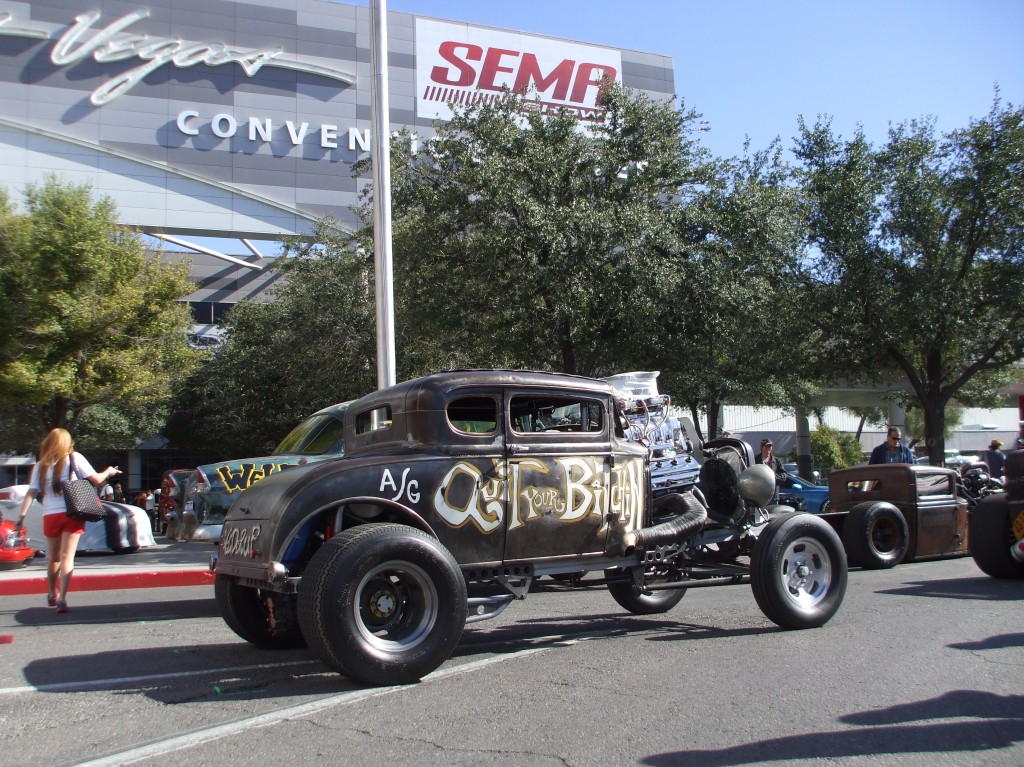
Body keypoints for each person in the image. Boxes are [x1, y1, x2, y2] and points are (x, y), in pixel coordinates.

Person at [14, 428, 121, 613]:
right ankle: (62, 598)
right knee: (67, 557)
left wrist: (21, 517)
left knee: (53, 558)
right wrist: (108, 472)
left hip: (50, 515)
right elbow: (95, 480)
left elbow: (31, 493)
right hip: (72, 513)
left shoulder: (41, 464)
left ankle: (50, 593)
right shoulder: (74, 458)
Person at [754, 438, 787, 503]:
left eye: (770, 446)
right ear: (761, 447)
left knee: (774, 513)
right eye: (766, 446)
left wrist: (772, 478)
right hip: (759, 497)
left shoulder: (777, 461)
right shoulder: (755, 460)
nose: (768, 448)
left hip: (773, 497)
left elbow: (784, 475)